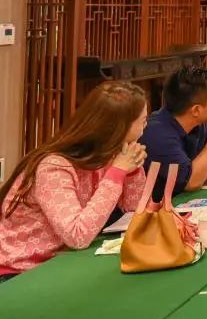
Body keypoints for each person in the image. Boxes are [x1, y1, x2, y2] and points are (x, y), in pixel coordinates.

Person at [0, 82, 148, 278]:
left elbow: (136, 211)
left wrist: (132, 170)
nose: (146, 127)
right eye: (143, 121)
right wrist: (117, 172)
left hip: (61, 262)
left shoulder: (110, 154)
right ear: (119, 126)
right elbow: (78, 236)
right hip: (17, 273)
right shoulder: (54, 166)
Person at [140, 65, 207, 200]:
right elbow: (191, 182)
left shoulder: (199, 121)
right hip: (158, 209)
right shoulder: (157, 134)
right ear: (196, 110)